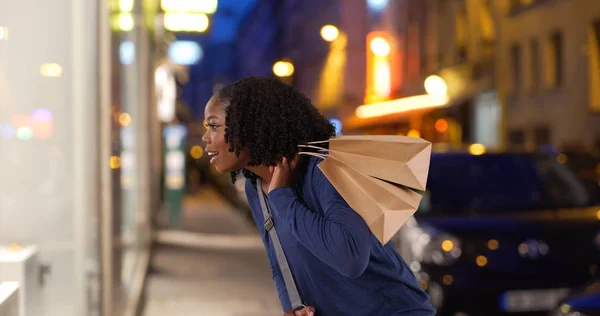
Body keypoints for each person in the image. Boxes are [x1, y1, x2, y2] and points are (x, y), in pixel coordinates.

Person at [202, 77, 436, 316]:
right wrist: (293, 307)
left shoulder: (324, 171)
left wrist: (282, 198)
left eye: (214, 126)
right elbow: (279, 262)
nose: (205, 138)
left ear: (248, 125)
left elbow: (350, 258)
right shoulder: (256, 188)